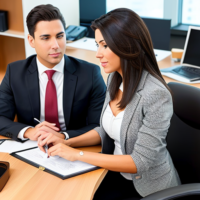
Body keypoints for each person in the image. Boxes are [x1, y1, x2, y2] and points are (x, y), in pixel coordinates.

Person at [38, 8, 180, 199]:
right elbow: (107, 129)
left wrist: (76, 154)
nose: (98, 54)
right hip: (113, 173)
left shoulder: (156, 95)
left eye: (104, 45)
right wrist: (66, 141)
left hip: (147, 187)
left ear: (127, 45)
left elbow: (140, 162)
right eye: (97, 45)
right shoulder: (115, 78)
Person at [0, 4, 106, 142]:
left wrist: (63, 137)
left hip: (74, 147)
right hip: (32, 147)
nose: (55, 45)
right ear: (31, 41)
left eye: (60, 36)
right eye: (46, 38)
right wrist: (29, 131)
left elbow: (99, 125)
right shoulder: (15, 72)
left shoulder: (90, 73)